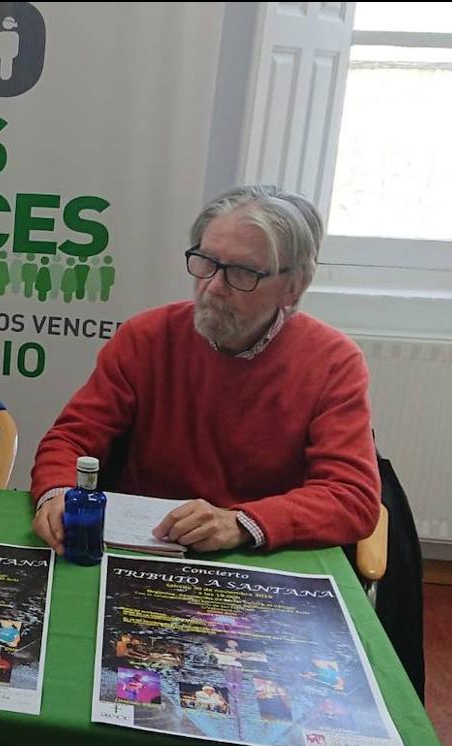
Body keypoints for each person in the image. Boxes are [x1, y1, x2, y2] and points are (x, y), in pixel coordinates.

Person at [31, 185, 380, 553]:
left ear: (293, 287)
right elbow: (71, 439)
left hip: (255, 556)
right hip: (142, 544)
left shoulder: (332, 362)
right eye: (206, 261)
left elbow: (351, 497)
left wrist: (241, 522)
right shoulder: (147, 337)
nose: (213, 286)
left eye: (242, 272)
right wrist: (57, 494)